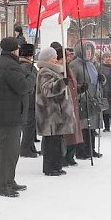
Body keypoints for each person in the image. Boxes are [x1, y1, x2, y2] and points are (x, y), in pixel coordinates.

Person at [0, 37, 35, 197]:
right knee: (8, 152)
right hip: (9, 114)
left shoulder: (3, 62)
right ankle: (3, 184)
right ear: (14, 49)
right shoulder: (10, 66)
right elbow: (22, 87)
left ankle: (9, 180)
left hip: (7, 112)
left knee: (12, 151)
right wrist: (31, 77)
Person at [36, 47, 76, 176]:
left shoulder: (55, 71)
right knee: (51, 143)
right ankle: (49, 167)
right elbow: (47, 90)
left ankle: (57, 165)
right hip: (50, 113)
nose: (55, 60)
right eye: (53, 57)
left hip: (57, 113)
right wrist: (61, 84)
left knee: (57, 141)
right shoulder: (45, 72)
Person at [70, 40, 104, 159]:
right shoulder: (75, 65)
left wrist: (101, 79)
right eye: (86, 50)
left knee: (92, 126)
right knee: (84, 126)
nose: (89, 53)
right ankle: (81, 151)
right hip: (82, 98)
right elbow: (72, 83)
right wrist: (80, 88)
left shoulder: (93, 64)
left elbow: (95, 81)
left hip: (93, 98)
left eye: (90, 50)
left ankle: (91, 149)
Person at [18, 43, 39, 158]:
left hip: (30, 98)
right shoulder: (26, 66)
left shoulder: (25, 65)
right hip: (30, 98)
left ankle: (30, 146)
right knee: (29, 125)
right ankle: (25, 148)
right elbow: (30, 82)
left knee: (30, 124)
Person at [100, 52, 111, 132]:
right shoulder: (100, 68)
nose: (108, 58)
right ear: (103, 59)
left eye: (109, 57)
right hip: (104, 91)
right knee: (106, 109)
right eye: (106, 57)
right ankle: (106, 127)